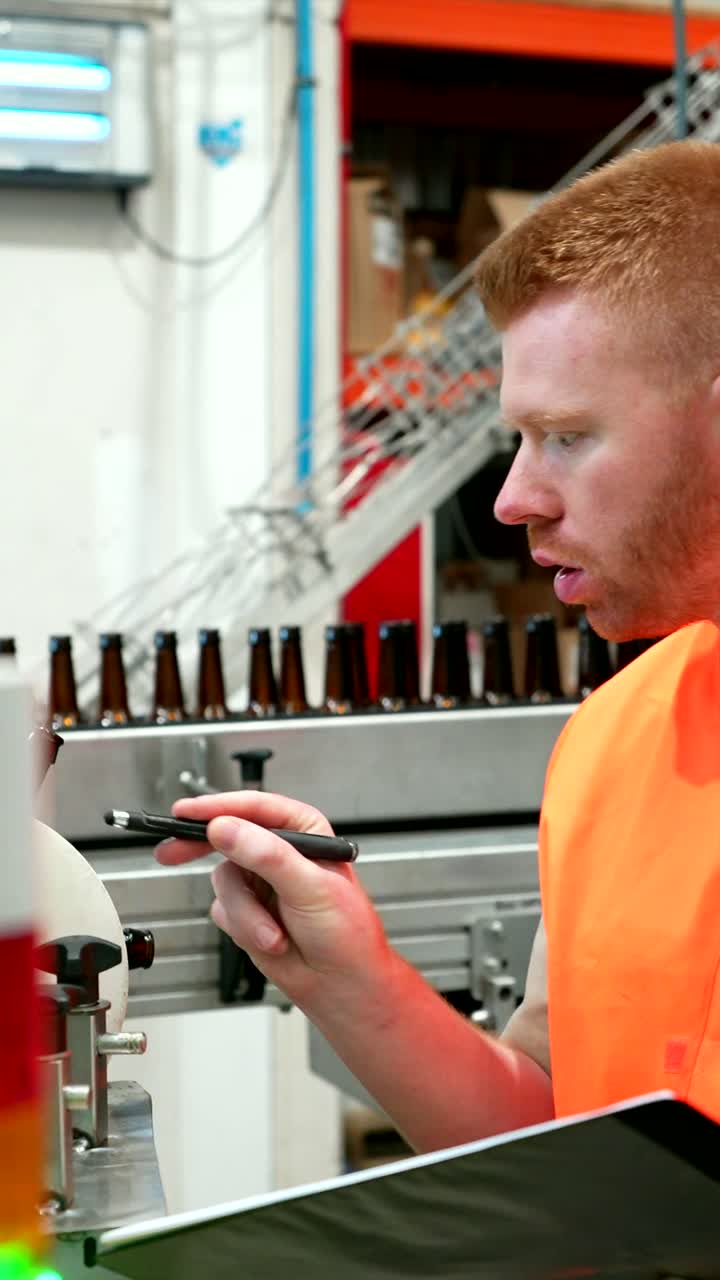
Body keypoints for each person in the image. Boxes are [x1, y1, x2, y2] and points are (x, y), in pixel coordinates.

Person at [157, 139, 720, 1150]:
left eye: (567, 436)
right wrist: (348, 976)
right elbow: (561, 1143)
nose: (512, 497)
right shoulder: (614, 743)